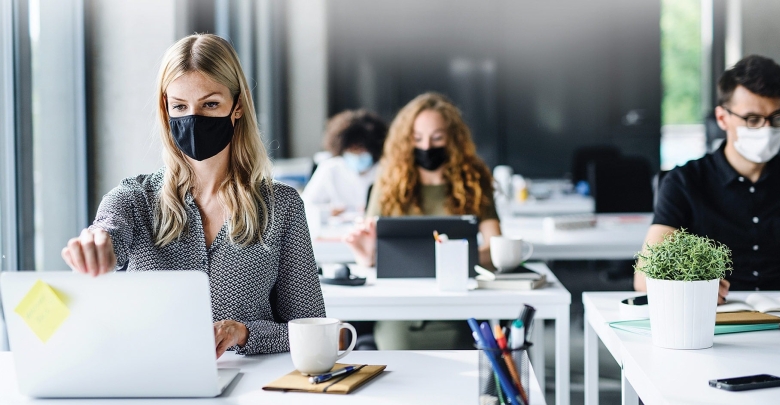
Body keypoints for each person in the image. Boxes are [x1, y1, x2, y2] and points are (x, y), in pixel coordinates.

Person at [61, 34, 325, 357]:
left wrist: (245, 334)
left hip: (250, 392)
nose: (194, 118)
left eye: (210, 104)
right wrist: (95, 244)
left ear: (237, 106)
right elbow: (107, 232)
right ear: (166, 110)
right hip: (151, 384)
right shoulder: (133, 199)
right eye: (180, 106)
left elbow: (312, 329)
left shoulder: (281, 207)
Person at [634, 55, 780, 302]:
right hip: (715, 318)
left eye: (777, 118)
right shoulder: (684, 181)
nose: (766, 130)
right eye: (753, 120)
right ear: (723, 118)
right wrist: (693, 287)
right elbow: (644, 278)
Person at [344, 92, 502, 349]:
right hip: (401, 311)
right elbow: (373, 251)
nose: (427, 147)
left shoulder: (475, 182)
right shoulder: (387, 185)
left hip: (458, 310)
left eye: (437, 137)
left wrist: (456, 258)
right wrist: (367, 257)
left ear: (453, 139)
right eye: (417, 139)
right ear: (406, 141)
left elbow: (497, 248)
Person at [302, 110, 388, 216]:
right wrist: (329, 211)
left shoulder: (386, 169)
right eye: (352, 150)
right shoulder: (330, 168)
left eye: (361, 150)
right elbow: (305, 204)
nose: (357, 155)